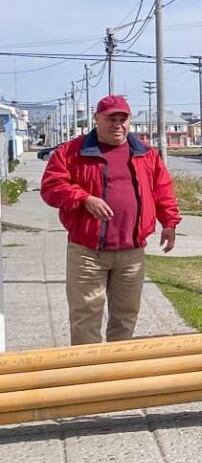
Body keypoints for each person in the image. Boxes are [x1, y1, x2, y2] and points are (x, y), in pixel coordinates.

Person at [41, 95, 181, 345]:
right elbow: (51, 187)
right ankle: (88, 377)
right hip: (87, 252)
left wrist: (169, 223)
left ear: (129, 122)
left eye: (122, 119)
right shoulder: (71, 152)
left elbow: (163, 190)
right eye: (110, 119)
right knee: (86, 317)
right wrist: (83, 198)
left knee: (126, 316)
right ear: (96, 120)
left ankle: (116, 376)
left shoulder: (146, 154)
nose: (117, 125)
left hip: (131, 253)